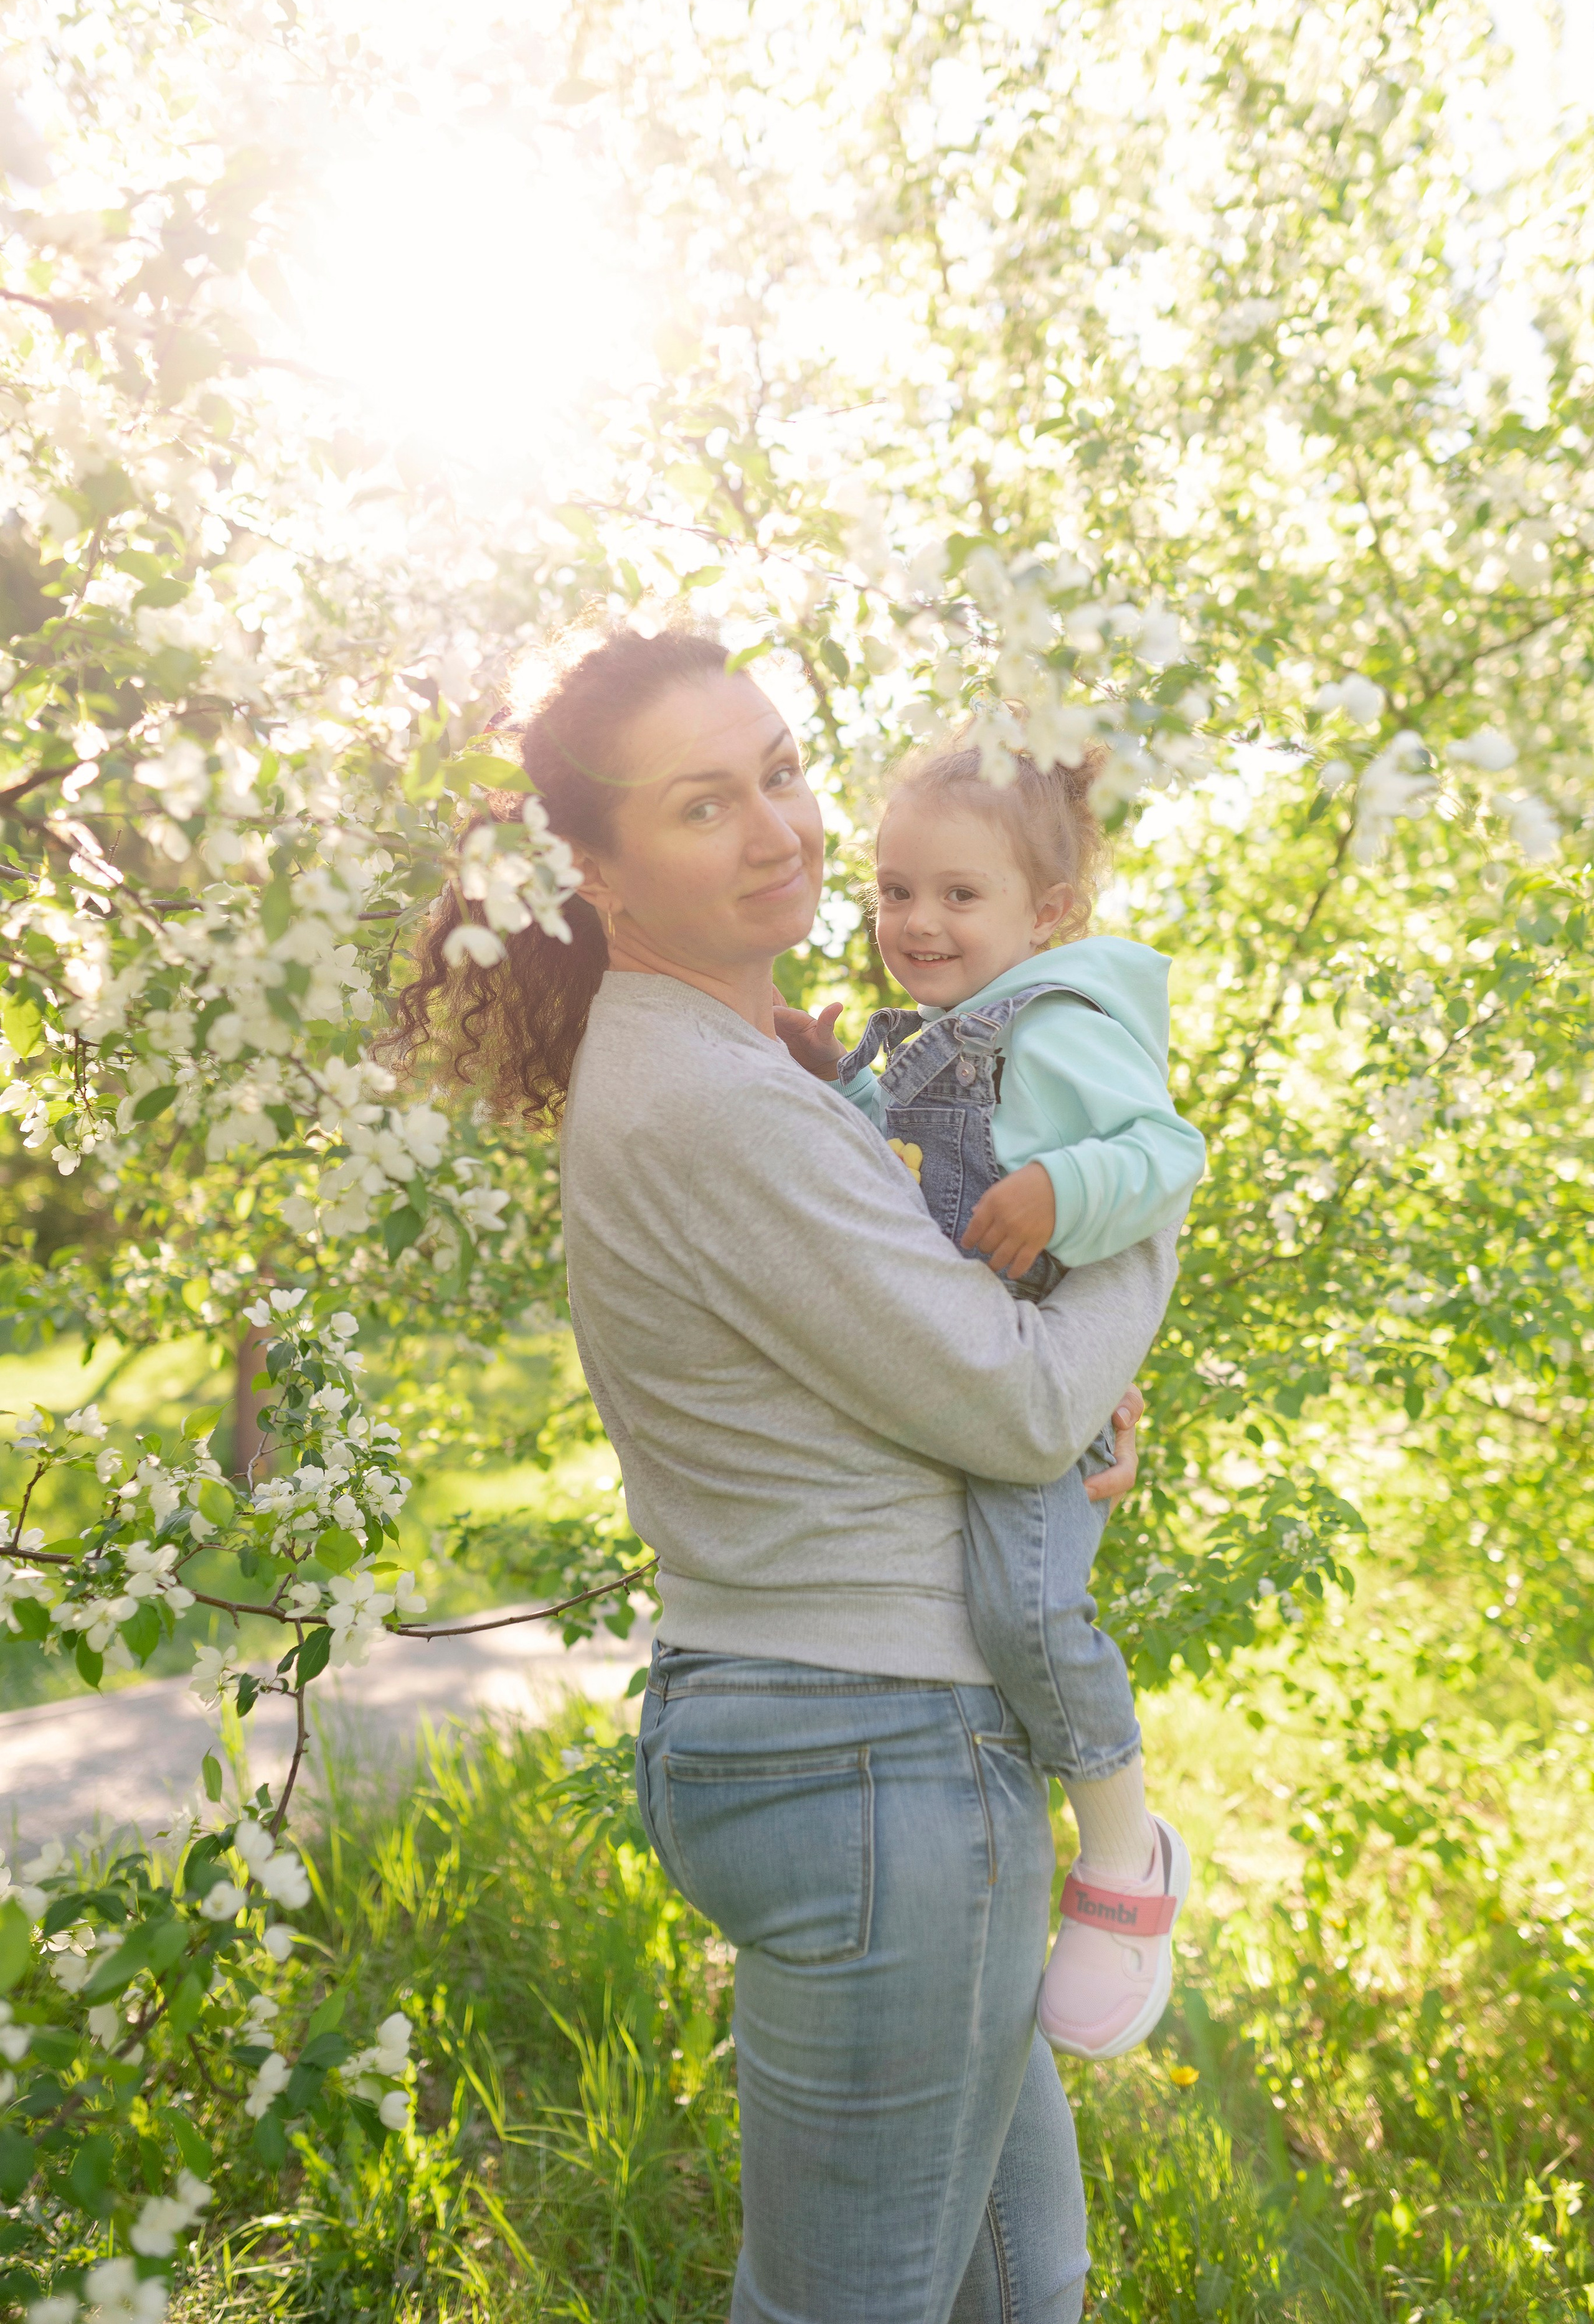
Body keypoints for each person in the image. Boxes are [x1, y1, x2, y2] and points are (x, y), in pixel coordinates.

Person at [387, 621, 1181, 2324]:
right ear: (596, 872)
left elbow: (925, 1371)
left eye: (781, 771)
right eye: (702, 805)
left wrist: (1059, 1397)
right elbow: (1021, 1402)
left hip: (853, 1738)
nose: (777, 830)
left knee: (1021, 2284)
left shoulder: (757, 1066)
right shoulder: (708, 1098)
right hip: (870, 1756)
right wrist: (1142, 1207)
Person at [770, 738, 1205, 2064]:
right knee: (979, 1618)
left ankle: (1125, 1852)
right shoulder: (944, 1037)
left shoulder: (1058, 1025)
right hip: (973, 1371)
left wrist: (1062, 1188)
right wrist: (832, 1082)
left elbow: (1164, 1151)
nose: (917, 921)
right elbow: (895, 1173)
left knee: (1027, 1613)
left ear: (1047, 911)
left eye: (959, 895)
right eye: (895, 890)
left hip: (1029, 1388)